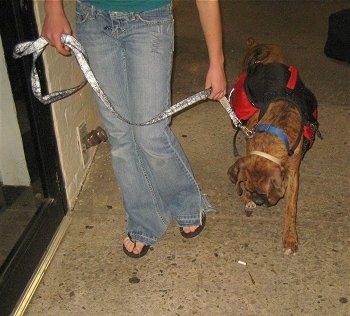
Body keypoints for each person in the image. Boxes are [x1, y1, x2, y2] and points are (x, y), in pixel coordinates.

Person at [42, 0, 227, 258]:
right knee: (120, 136)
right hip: (93, 18)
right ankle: (144, 219)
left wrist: (216, 61)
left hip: (149, 17)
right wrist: (53, 9)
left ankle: (186, 202)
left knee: (151, 133)